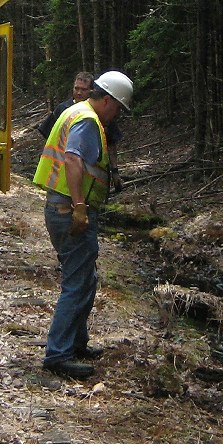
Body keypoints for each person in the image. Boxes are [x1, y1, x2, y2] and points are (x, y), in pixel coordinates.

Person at [32, 70, 133, 380]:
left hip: (61, 208)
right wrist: (79, 208)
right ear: (106, 100)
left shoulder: (79, 112)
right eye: (118, 108)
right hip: (69, 212)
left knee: (84, 279)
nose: (117, 115)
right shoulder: (88, 120)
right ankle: (58, 354)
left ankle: (76, 343)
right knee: (77, 283)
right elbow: (74, 160)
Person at [38, 70, 124, 191]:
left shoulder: (102, 113)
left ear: (92, 90)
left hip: (88, 181)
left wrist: (115, 171)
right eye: (76, 88)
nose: (78, 92)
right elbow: (50, 138)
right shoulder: (63, 109)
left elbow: (111, 143)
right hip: (63, 179)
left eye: (83, 89)